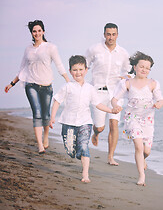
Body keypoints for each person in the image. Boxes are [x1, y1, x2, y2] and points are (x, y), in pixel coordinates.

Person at [49, 55, 121, 183]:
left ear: (86, 70)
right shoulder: (67, 87)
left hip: (85, 122)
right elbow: (57, 101)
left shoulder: (90, 88)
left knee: (84, 145)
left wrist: (111, 110)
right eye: (75, 70)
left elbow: (98, 104)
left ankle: (85, 174)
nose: (78, 73)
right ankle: (76, 152)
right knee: (71, 151)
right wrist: (52, 117)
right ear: (70, 71)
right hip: (68, 122)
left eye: (81, 69)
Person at [4, 20, 69, 154]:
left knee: (45, 114)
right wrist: (12, 83)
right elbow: (22, 68)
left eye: (39, 31)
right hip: (31, 84)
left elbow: (59, 65)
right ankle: (40, 145)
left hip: (46, 86)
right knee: (37, 113)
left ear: (43, 32)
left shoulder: (51, 47)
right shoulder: (28, 49)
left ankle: (45, 137)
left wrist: (69, 81)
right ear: (32, 33)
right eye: (34, 31)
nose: (37, 33)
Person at [112, 51, 163, 186]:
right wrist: (116, 106)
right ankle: (142, 176)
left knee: (146, 150)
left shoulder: (153, 83)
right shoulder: (127, 83)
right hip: (132, 118)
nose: (144, 70)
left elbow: (160, 100)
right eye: (142, 67)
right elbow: (115, 99)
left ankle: (143, 159)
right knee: (139, 147)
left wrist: (158, 104)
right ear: (135, 67)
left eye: (147, 68)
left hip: (147, 120)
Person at [86, 23, 131, 166]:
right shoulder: (94, 49)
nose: (111, 37)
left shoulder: (123, 53)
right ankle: (96, 133)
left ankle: (111, 157)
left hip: (116, 93)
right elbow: (85, 66)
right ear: (104, 34)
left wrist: (127, 78)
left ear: (117, 35)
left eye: (113, 34)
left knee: (114, 124)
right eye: (108, 34)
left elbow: (128, 71)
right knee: (100, 127)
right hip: (98, 92)